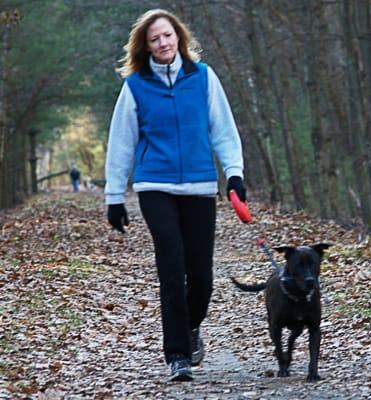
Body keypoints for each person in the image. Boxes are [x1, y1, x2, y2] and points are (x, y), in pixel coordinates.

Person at [104, 9, 246, 382]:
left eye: (167, 35)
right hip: (155, 186)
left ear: (178, 37)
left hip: (200, 186)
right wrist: (114, 195)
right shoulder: (136, 85)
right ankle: (178, 355)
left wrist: (234, 174)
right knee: (171, 266)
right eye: (154, 39)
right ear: (145, 46)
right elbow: (121, 142)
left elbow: (224, 131)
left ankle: (191, 326)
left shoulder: (203, 78)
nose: (163, 43)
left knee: (201, 276)